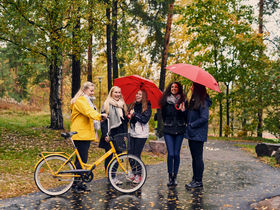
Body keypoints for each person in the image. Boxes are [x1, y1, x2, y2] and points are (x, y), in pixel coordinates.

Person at [70, 81, 107, 193]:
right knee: (80, 161)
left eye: (93, 90)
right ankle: (76, 184)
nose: (92, 92)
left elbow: (90, 111)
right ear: (85, 90)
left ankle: (80, 183)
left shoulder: (86, 101)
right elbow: (88, 112)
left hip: (83, 134)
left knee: (82, 160)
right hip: (80, 134)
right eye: (91, 90)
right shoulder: (81, 100)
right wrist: (100, 116)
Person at [185, 82, 212, 189]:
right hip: (193, 134)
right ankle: (195, 178)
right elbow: (190, 116)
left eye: (192, 86)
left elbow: (204, 118)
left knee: (197, 158)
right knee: (195, 158)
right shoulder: (195, 101)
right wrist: (185, 108)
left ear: (197, 88)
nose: (191, 88)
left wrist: (192, 125)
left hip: (198, 134)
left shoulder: (203, 101)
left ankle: (198, 181)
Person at [99, 86, 128, 184]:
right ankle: (109, 177)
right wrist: (105, 135)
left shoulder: (122, 105)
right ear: (111, 93)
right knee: (109, 155)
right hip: (109, 133)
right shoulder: (106, 104)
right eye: (115, 92)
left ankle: (113, 176)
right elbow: (102, 122)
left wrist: (125, 134)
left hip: (119, 133)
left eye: (119, 92)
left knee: (118, 155)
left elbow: (124, 122)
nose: (117, 94)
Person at [159, 82, 186, 187]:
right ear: (169, 89)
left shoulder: (183, 101)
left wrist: (183, 111)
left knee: (176, 154)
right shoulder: (165, 101)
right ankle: (170, 177)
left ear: (179, 89)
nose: (174, 88)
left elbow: (186, 117)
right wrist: (168, 123)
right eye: (172, 87)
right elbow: (163, 116)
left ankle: (175, 177)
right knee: (170, 154)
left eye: (176, 87)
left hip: (180, 130)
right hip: (168, 130)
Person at [127, 89, 152, 184]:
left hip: (141, 134)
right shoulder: (132, 104)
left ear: (144, 96)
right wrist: (128, 116)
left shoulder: (147, 106)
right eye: (137, 93)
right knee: (130, 154)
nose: (137, 95)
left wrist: (134, 114)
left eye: (140, 94)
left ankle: (139, 175)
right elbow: (130, 117)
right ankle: (133, 173)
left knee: (136, 154)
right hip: (132, 132)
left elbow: (144, 119)